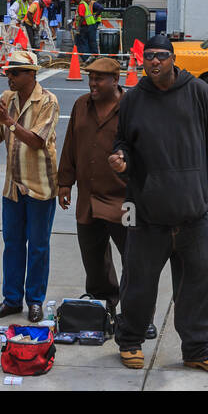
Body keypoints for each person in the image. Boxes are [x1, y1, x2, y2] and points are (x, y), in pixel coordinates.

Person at [110, 34, 208, 375]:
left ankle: (199, 349)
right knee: (138, 284)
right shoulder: (133, 99)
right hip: (147, 216)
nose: (154, 62)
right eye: (148, 57)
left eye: (160, 56)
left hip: (193, 215)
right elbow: (124, 142)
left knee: (201, 281)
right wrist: (121, 159)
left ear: (173, 58)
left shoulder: (198, 93)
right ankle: (131, 341)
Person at [0, 49, 60, 323]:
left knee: (38, 246)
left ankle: (34, 300)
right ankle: (12, 299)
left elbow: (37, 141)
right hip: (13, 186)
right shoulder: (7, 98)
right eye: (7, 72)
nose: (8, 76)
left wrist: (8, 122)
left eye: (14, 72)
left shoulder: (48, 101)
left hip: (39, 186)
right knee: (12, 244)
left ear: (31, 74)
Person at [57, 56, 136, 319]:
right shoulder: (82, 105)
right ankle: (104, 308)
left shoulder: (131, 107)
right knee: (94, 260)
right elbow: (70, 144)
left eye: (98, 79)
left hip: (124, 200)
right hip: (88, 198)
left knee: (134, 260)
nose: (92, 83)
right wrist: (65, 182)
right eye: (90, 78)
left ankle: (137, 313)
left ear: (116, 80)